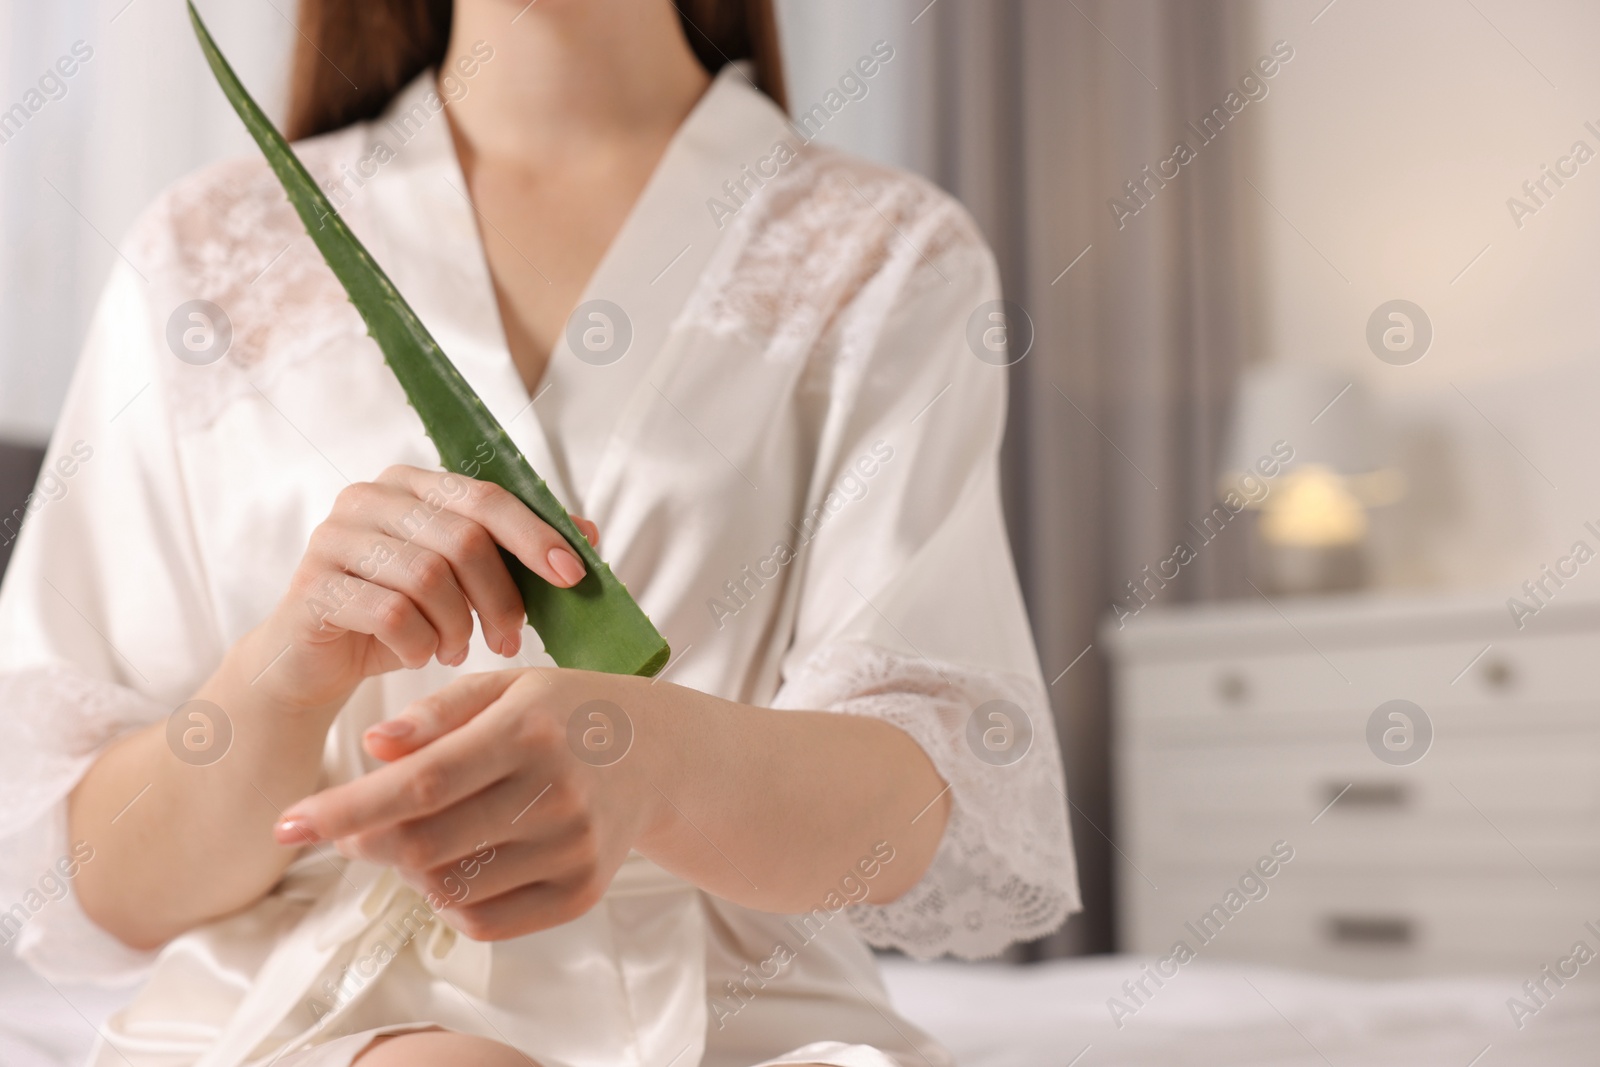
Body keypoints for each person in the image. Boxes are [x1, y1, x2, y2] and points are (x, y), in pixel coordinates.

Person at [0, 1, 1078, 1064]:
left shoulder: (883, 253)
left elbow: (919, 785)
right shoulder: (205, 252)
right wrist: (283, 672)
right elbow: (96, 880)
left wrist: (652, 761)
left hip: (737, 1008)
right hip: (296, 1002)